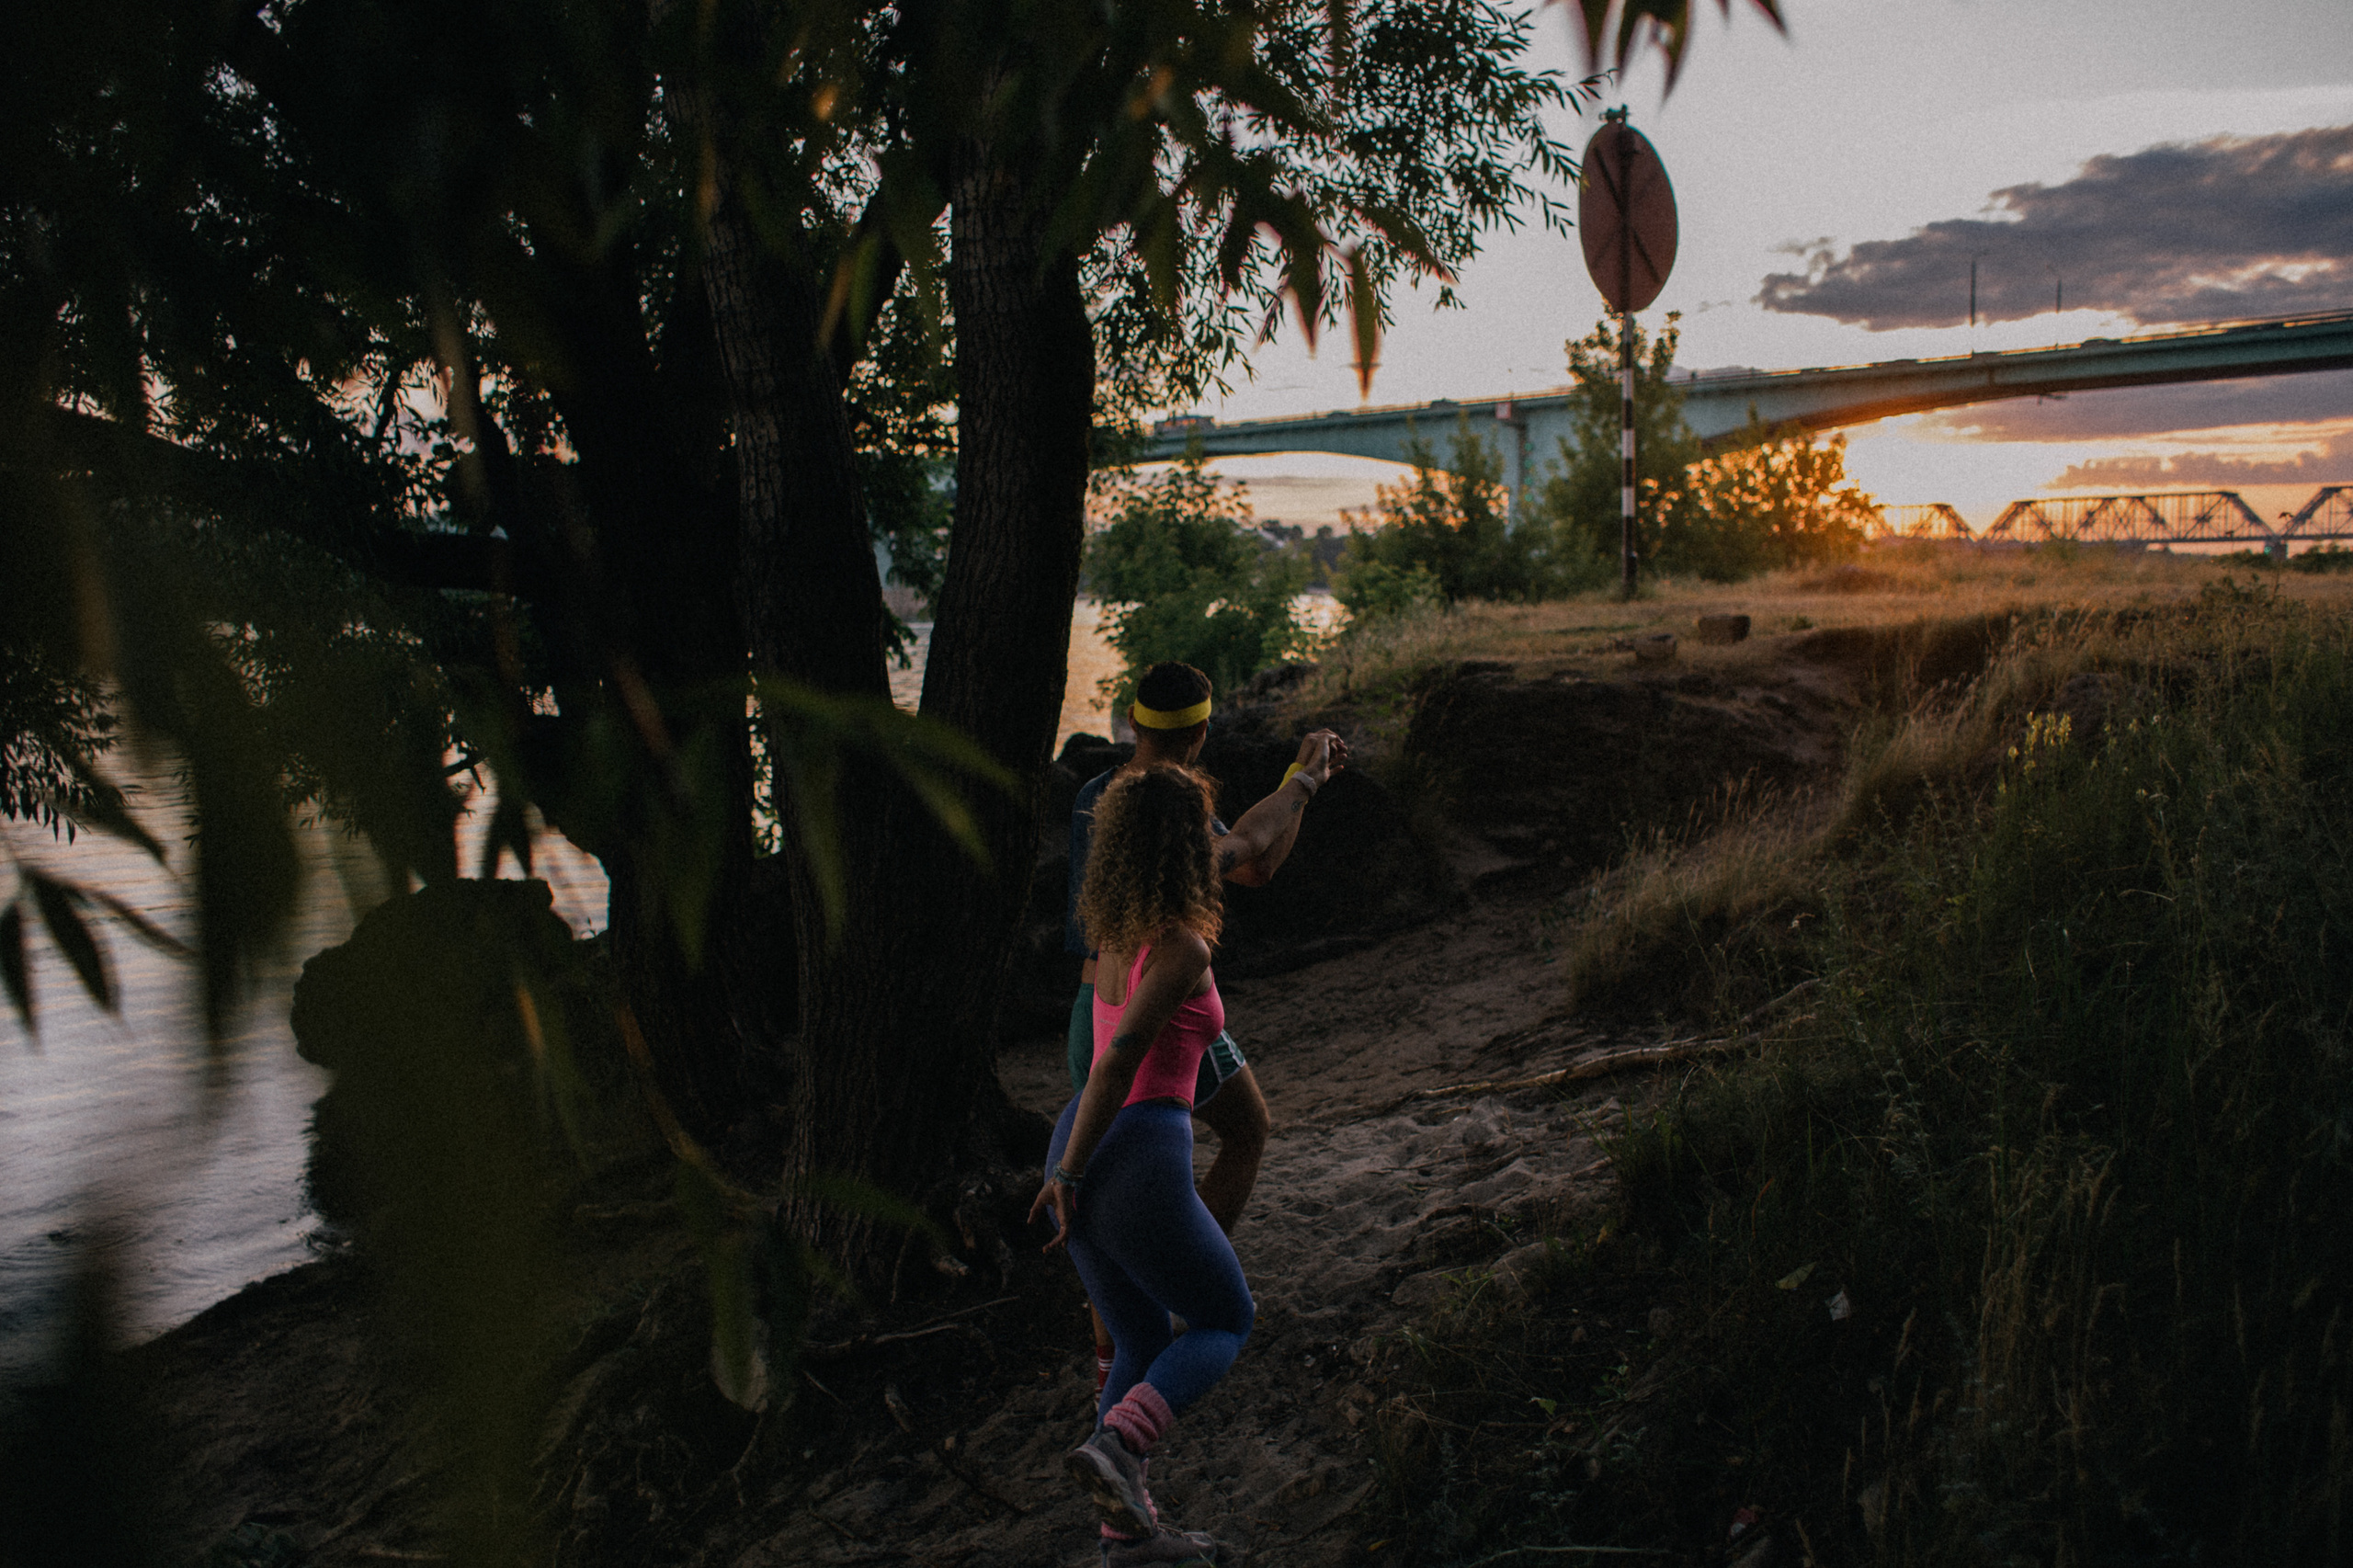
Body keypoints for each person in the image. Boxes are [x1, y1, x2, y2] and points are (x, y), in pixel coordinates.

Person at [1029, 751, 1339, 1565]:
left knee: (1136, 1343)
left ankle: (1124, 1542)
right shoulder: (1182, 950)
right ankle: (1123, 1450)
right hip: (1130, 1151)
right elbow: (1119, 1062)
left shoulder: (1111, 930)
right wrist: (1066, 1176)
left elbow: (1251, 843)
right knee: (1223, 1319)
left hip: (1082, 1141)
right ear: (1185, 844)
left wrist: (1307, 779)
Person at [1062, 661, 1345, 1391]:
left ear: (1131, 721)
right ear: (1203, 730)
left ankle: (1114, 1355)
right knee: (1246, 1129)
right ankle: (1180, 1286)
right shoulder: (1176, 811)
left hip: (1091, 1008)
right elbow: (1250, 856)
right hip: (1158, 1010)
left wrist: (1294, 791)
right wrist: (1305, 780)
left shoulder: (1099, 797)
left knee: (1102, 1182)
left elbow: (1254, 862)